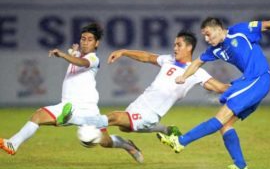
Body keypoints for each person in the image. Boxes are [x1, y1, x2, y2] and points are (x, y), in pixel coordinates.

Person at [157, 12, 270, 169]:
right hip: (251, 82)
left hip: (257, 78)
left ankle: (181, 141)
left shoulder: (240, 30)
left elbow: (268, 24)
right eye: (204, 36)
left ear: (218, 29)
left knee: (220, 116)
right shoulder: (215, 49)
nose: (206, 39)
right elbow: (197, 62)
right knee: (225, 125)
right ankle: (240, 166)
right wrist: (184, 76)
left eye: (208, 34)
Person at [0, 23, 143, 163]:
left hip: (88, 110)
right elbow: (78, 57)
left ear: (96, 43)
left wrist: (63, 54)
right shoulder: (79, 55)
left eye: (90, 40)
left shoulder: (93, 58)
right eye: (83, 39)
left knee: (104, 142)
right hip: (68, 106)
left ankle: (126, 145)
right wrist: (74, 51)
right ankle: (13, 143)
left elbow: (81, 62)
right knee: (38, 115)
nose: (85, 42)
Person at [76, 30, 229, 141]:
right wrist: (124, 51)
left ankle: (78, 120)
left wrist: (249, 86)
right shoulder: (168, 59)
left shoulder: (196, 71)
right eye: (174, 44)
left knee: (114, 117)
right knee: (124, 128)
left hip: (150, 113)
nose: (175, 48)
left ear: (189, 48)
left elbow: (220, 88)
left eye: (179, 45)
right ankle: (165, 129)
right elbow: (147, 57)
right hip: (140, 103)